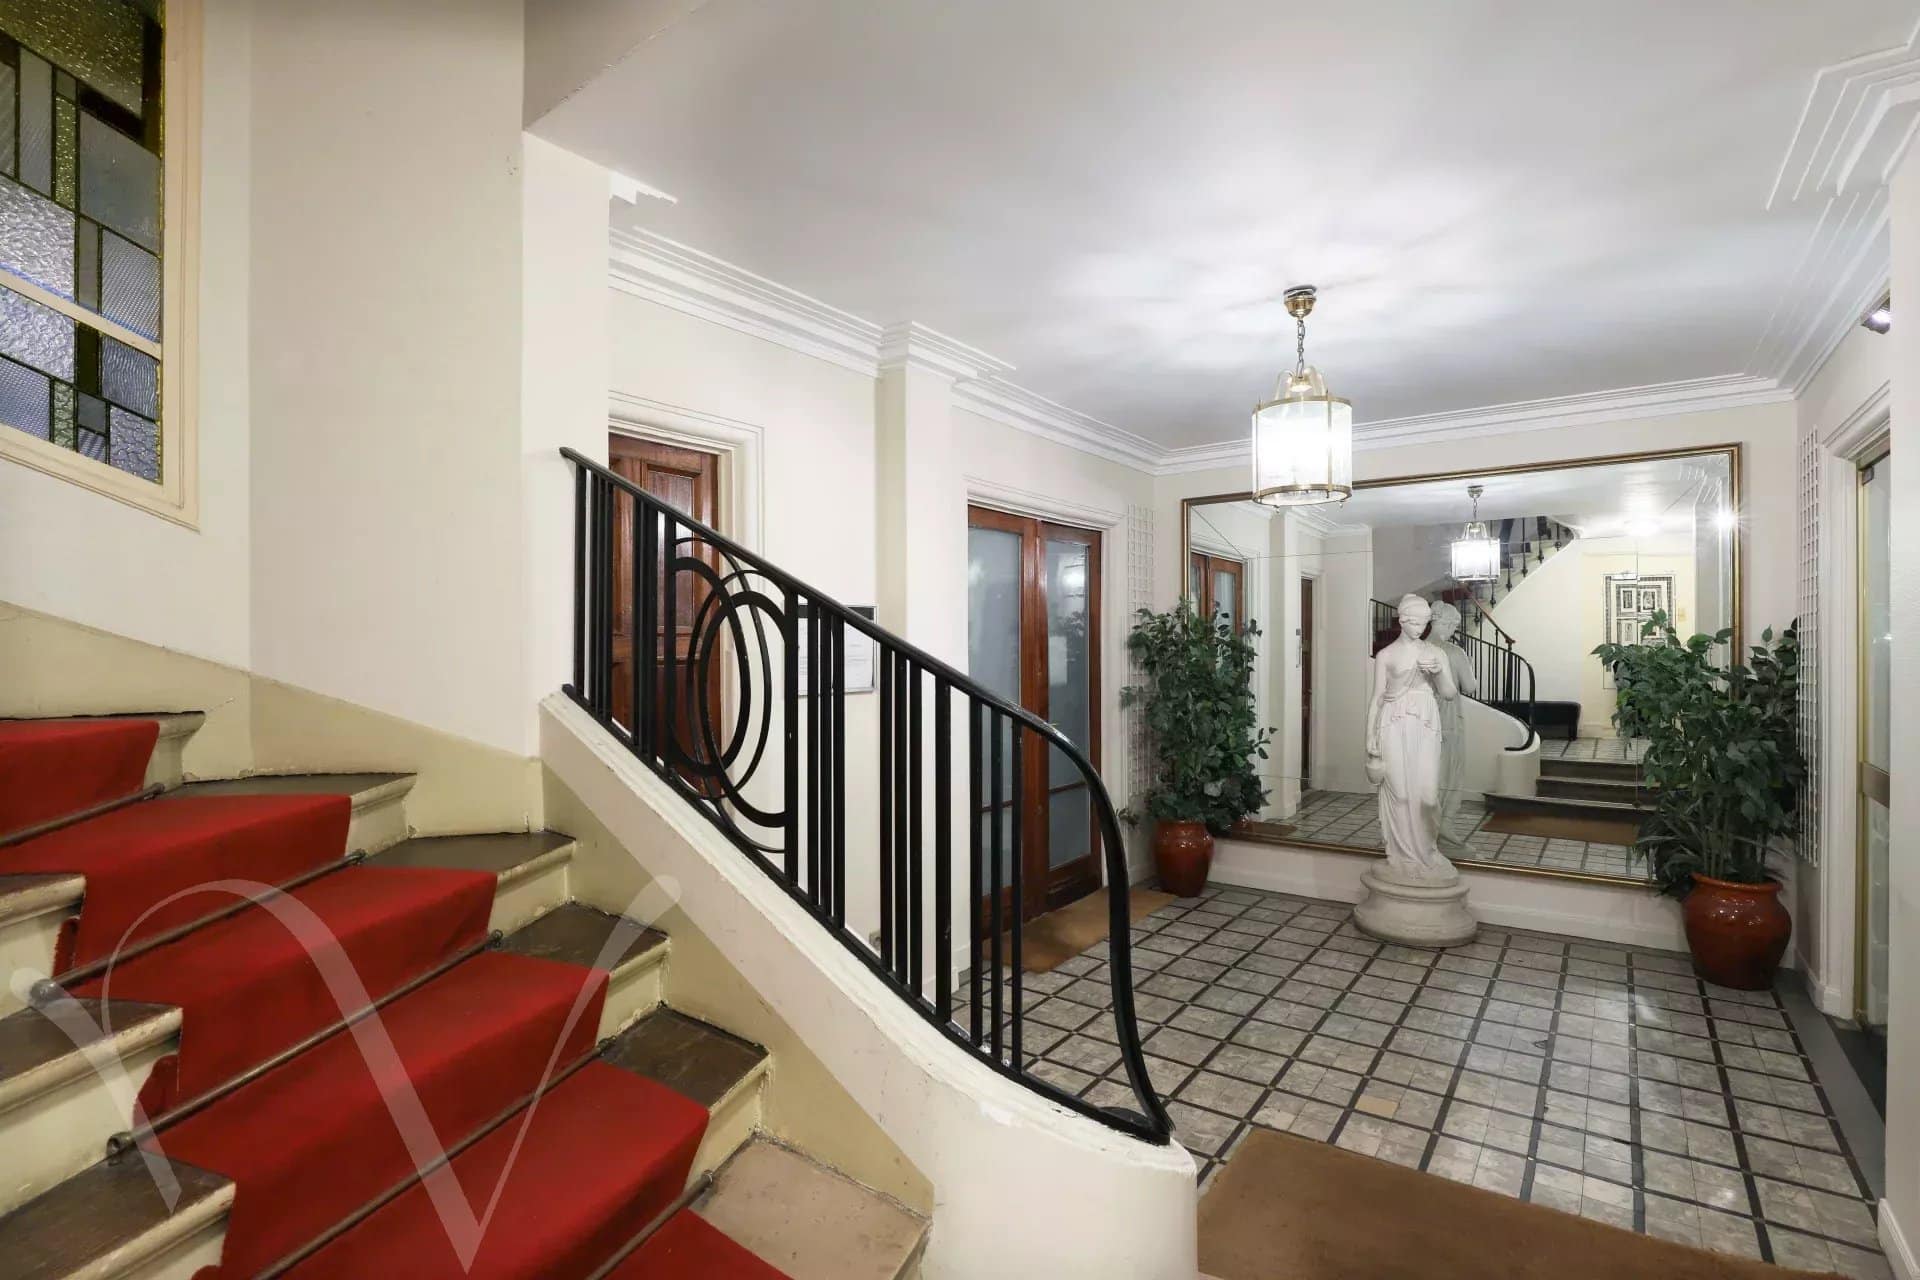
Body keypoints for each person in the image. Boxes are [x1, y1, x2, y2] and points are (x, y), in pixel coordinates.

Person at [1364, 594, 1458, 880]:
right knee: (1401, 794)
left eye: (1424, 624)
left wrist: (1439, 672)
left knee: (1427, 796)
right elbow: (1377, 697)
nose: (1420, 629)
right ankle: (1402, 856)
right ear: (1402, 621)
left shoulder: (1435, 653)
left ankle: (1427, 852)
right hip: (1392, 722)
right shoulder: (1386, 655)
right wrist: (1369, 736)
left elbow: (1449, 693)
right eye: (1414, 623)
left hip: (1425, 723)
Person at [1427, 601, 1478, 852]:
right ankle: (1443, 827)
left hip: (1422, 722)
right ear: (1446, 623)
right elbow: (1470, 687)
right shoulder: (1454, 652)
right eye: (1454, 626)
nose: (1454, 630)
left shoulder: (1416, 649)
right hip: (1447, 720)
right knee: (1450, 775)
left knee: (1424, 774)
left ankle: (1423, 829)